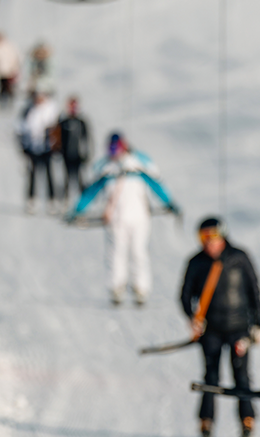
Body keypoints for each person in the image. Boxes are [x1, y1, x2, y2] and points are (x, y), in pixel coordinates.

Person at [181, 217, 260, 437]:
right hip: (211, 331)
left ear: (223, 235)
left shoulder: (239, 257)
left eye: (212, 236)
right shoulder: (196, 262)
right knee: (210, 377)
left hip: (239, 330)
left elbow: (254, 290)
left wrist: (256, 324)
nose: (208, 243)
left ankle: (247, 423)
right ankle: (206, 424)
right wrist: (192, 319)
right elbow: (185, 295)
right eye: (202, 238)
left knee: (242, 377)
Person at [70, 132, 179, 305]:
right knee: (116, 254)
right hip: (115, 220)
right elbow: (91, 191)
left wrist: (169, 202)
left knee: (139, 253)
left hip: (140, 219)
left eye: (117, 147)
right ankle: (116, 288)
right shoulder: (105, 168)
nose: (114, 152)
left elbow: (156, 185)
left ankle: (141, 289)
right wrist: (77, 210)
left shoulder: (138, 164)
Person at [17, 86, 60, 214]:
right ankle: (31, 200)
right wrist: (24, 147)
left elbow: (56, 129)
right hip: (33, 148)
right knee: (33, 175)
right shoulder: (29, 110)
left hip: (46, 148)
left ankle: (52, 200)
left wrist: (55, 146)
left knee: (49, 175)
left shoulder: (51, 109)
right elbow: (21, 129)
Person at [57, 96, 91, 203]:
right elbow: (58, 138)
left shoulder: (81, 122)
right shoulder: (63, 122)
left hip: (79, 156)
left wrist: (86, 153)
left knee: (81, 179)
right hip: (66, 155)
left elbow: (86, 139)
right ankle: (65, 201)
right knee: (66, 179)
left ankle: (84, 201)